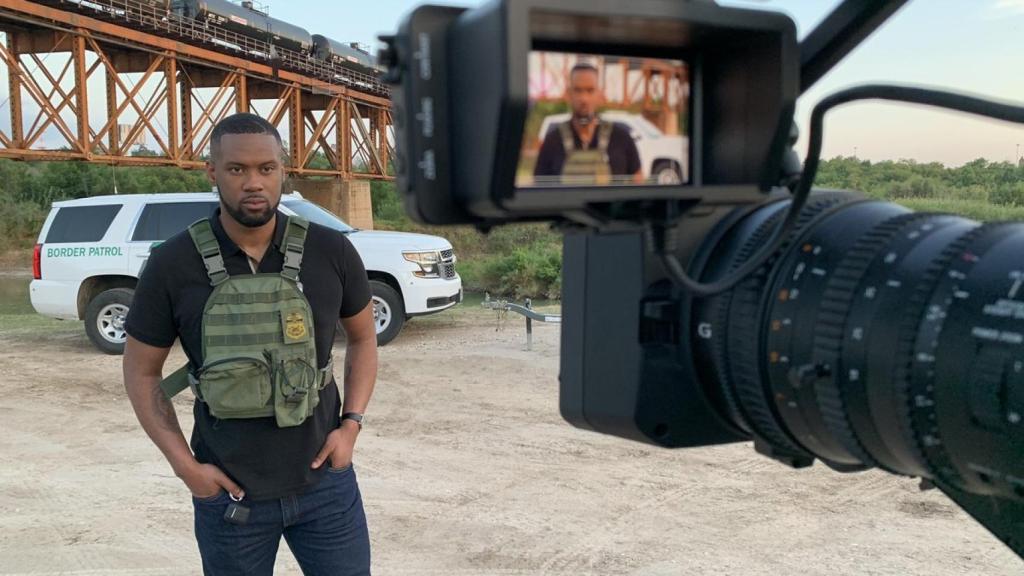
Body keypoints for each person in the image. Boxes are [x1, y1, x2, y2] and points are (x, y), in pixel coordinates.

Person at [123, 113, 377, 576]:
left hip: (326, 487)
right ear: (213, 173)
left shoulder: (332, 251)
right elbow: (141, 373)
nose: (253, 182)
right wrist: (187, 469)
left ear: (284, 171)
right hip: (228, 495)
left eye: (266, 168)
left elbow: (363, 339)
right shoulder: (171, 263)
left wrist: (352, 424)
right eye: (237, 169)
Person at [533, 62, 644, 185]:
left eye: (590, 91)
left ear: (599, 94)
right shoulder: (552, 142)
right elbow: (539, 189)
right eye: (578, 90)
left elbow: (637, 184)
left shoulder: (622, 139)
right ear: (569, 94)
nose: (584, 99)